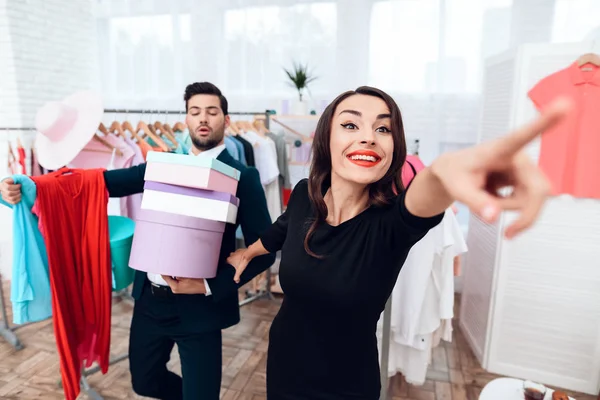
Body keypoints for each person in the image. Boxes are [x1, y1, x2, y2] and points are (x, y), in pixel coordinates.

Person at [225, 86, 570, 399]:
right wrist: (248, 252)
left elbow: (426, 192)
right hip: (283, 363)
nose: (369, 138)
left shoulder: (391, 224)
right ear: (325, 139)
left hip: (344, 386)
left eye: (383, 129)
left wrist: (441, 172)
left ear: (395, 147)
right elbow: (283, 228)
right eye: (350, 125)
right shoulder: (305, 195)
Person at [0, 82, 276, 400]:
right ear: (185, 120)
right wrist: (31, 185)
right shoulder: (161, 165)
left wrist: (209, 286)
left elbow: (265, 250)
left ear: (225, 121)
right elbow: (101, 183)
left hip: (200, 307)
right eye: (195, 111)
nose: (203, 118)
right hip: (150, 302)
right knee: (144, 383)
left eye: (212, 112)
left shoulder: (243, 176)